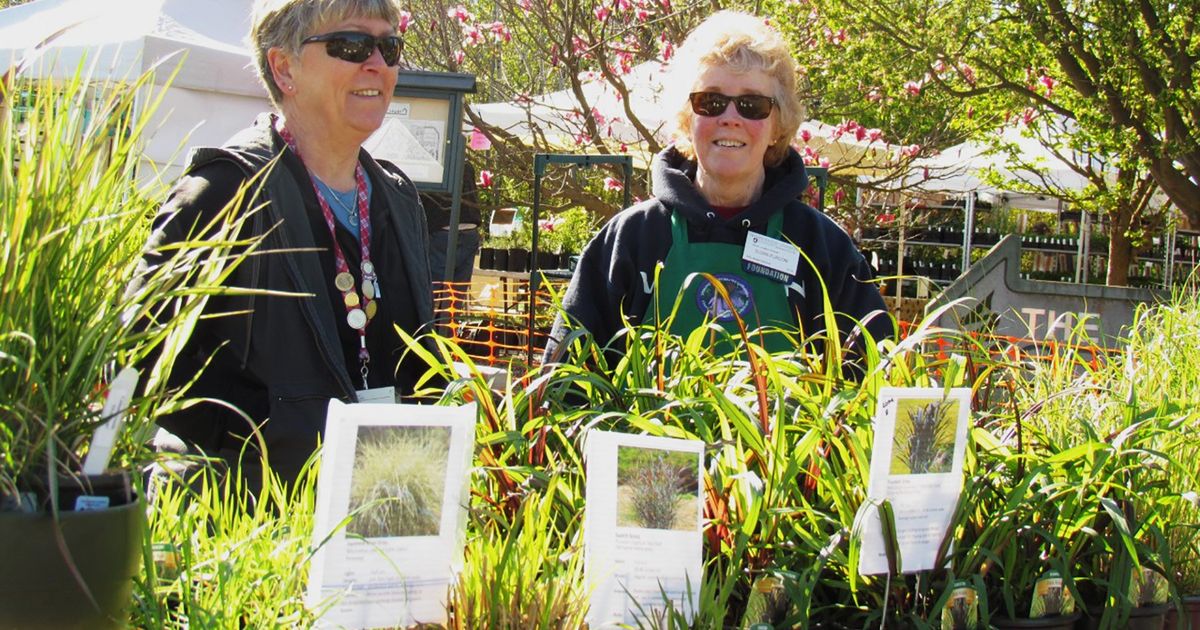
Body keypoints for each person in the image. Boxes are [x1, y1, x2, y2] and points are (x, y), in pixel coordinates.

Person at [141, 0, 434, 491]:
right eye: (351, 44)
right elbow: (144, 353)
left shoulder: (399, 201)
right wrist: (265, 445)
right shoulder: (223, 193)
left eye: (390, 46)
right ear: (284, 67)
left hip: (376, 513)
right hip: (244, 522)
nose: (378, 64)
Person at [545, 11, 893, 363]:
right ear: (687, 118)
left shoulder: (821, 247)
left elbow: (874, 385)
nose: (730, 117)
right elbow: (564, 385)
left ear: (778, 125)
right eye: (710, 102)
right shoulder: (631, 239)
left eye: (752, 105)